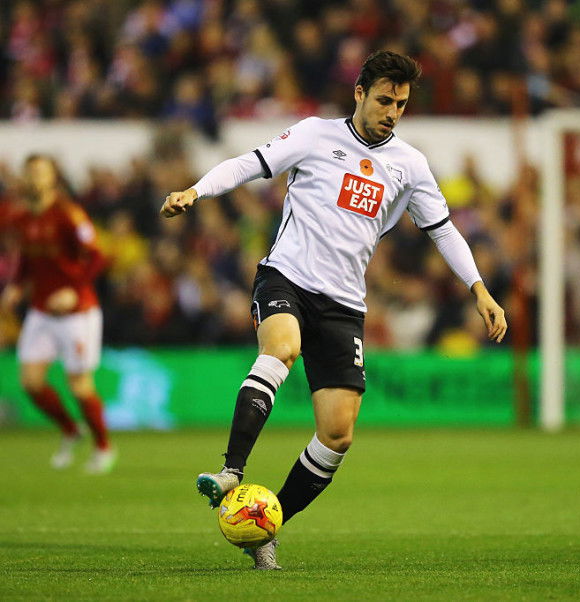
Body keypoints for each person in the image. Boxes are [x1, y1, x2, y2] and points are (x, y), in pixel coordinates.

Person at [160, 51, 508, 570]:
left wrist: (479, 289)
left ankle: (266, 527)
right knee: (283, 347)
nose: (392, 112)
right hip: (286, 278)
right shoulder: (314, 134)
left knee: (338, 433)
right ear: (359, 93)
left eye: (401, 104)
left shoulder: (409, 165)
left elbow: (443, 231)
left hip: (344, 302)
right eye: (385, 100)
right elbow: (248, 164)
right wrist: (196, 190)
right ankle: (232, 469)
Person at [0, 154, 114, 473]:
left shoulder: (68, 213)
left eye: (41, 172)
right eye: (30, 172)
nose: (34, 178)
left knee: (79, 386)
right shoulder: (23, 218)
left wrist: (73, 290)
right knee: (31, 382)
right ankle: (70, 430)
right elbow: (26, 259)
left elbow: (96, 256)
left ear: (53, 178)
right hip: (41, 310)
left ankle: (103, 446)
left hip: (78, 312)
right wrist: (16, 286)